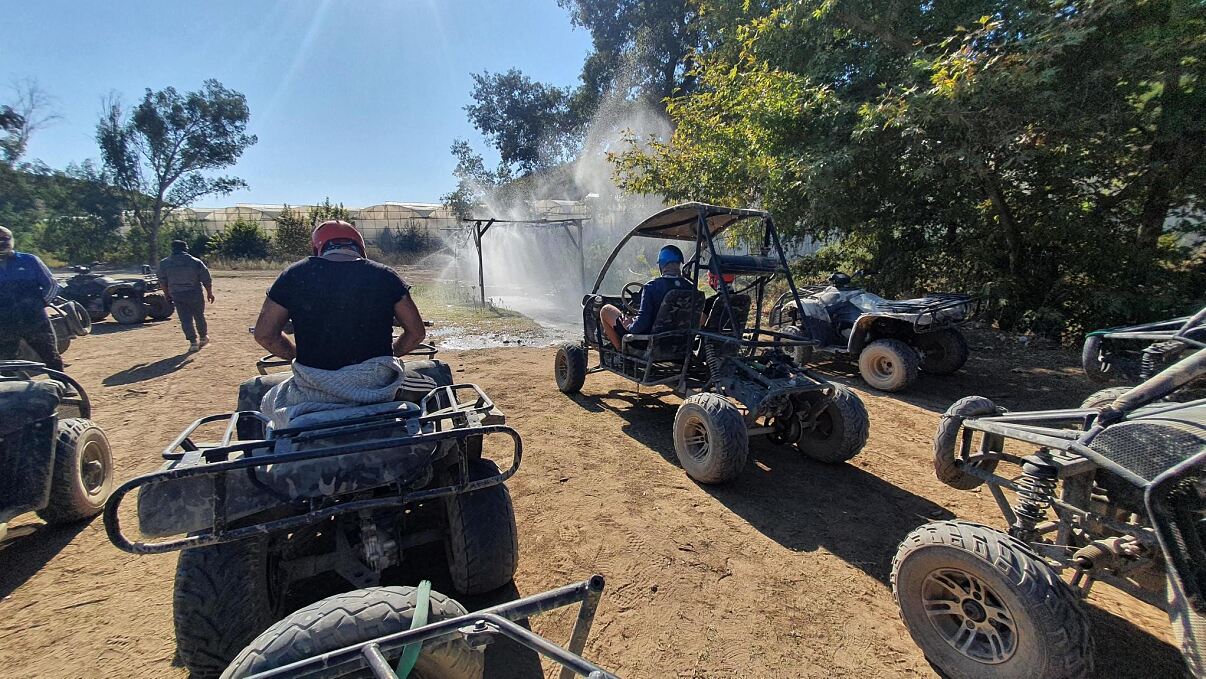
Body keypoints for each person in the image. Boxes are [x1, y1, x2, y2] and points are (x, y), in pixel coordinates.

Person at [253, 220, 426, 371]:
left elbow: (265, 334)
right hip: (377, 384)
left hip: (315, 384)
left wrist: (298, 357)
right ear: (360, 246)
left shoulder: (293, 274)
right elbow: (416, 333)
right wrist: (389, 355)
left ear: (318, 248)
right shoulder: (385, 275)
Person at [599, 244, 694, 350]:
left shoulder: (651, 287)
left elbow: (642, 324)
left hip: (648, 343)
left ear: (661, 265)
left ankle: (621, 354)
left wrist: (629, 325)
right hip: (681, 344)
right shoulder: (691, 288)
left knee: (605, 310)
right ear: (679, 263)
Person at [0, 225, 64, 370]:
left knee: (50, 355)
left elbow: (52, 285)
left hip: (35, 321)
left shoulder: (29, 261)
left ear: (12, 240)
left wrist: (39, 305)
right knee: (6, 362)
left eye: (5, 238)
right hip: (4, 324)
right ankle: (12, 391)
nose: (2, 243)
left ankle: (64, 386)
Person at [158, 239, 214, 352]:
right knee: (199, 316)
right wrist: (209, 293)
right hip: (194, 293)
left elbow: (162, 281)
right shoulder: (195, 261)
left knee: (185, 319)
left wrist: (167, 295)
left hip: (177, 294)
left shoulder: (164, 263)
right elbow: (206, 278)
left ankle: (193, 342)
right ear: (185, 248)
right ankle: (203, 337)